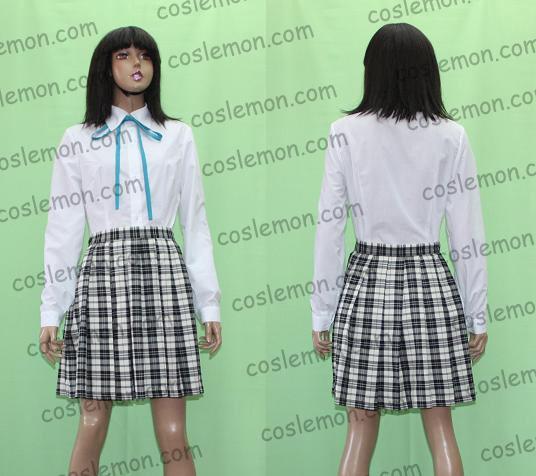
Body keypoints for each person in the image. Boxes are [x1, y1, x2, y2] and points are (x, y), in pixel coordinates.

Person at [39, 26, 222, 476]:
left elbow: (195, 222)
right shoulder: (78, 139)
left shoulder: (177, 135)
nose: (137, 64)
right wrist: (51, 311)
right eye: (123, 55)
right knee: (92, 422)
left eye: (145, 55)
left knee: (174, 431)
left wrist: (209, 304)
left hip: (164, 277)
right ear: (105, 67)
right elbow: (63, 230)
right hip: (101, 278)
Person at [310, 23, 488, 476]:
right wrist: (477, 314)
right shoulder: (451, 136)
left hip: (366, 281)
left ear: (372, 70)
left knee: (359, 428)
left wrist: (322, 312)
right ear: (427, 72)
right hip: (430, 283)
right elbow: (467, 235)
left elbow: (330, 228)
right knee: (441, 425)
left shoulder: (344, 132)